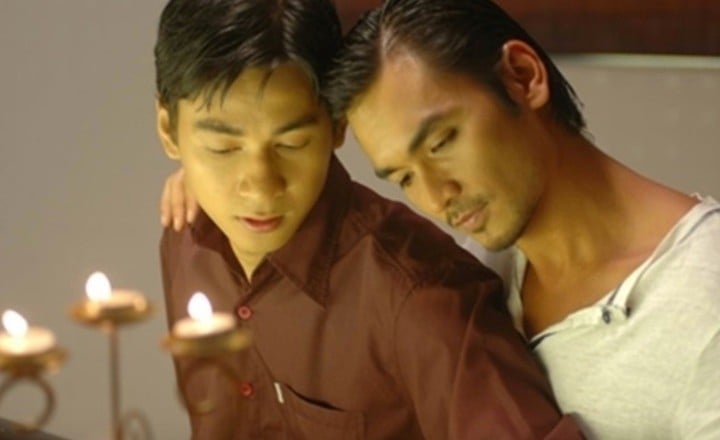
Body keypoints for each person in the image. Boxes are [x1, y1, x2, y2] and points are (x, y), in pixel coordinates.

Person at [162, 0, 720, 438]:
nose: (436, 198)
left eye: (442, 141)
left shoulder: (703, 308)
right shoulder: (496, 249)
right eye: (403, 176)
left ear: (523, 76)